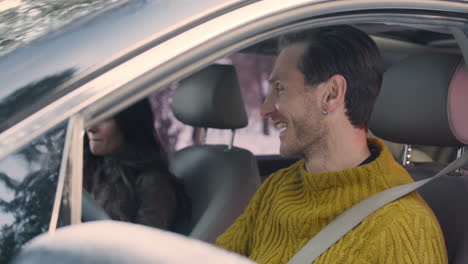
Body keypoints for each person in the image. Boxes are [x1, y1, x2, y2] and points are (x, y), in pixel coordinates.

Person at [216, 26, 447, 263]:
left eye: (280, 89)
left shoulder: (402, 226)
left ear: (331, 94)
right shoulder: (276, 188)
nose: (265, 109)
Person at [84, 99, 190, 230]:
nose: (90, 128)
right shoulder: (90, 168)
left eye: (105, 118)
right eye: (90, 117)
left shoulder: (153, 182)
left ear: (129, 123)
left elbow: (145, 245)